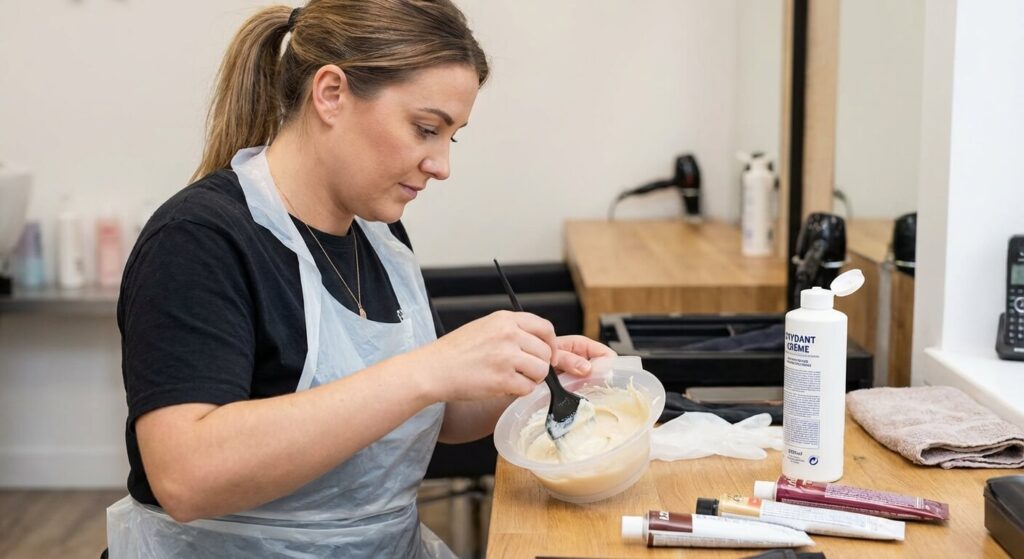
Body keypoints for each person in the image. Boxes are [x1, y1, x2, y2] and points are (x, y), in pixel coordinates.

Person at [105, 1, 613, 557]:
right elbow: (186, 477)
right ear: (330, 94)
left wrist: (531, 376)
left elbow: (427, 413)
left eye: (452, 137)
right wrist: (428, 369)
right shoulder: (198, 240)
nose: (441, 164)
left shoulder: (380, 238)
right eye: (425, 129)